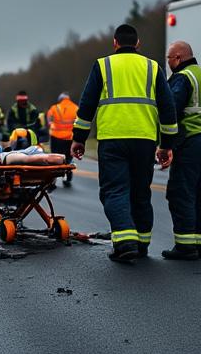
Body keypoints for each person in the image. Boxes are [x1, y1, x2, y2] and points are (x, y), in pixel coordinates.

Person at [71, 24, 178, 262]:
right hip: (145, 140)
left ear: (114, 43)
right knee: (141, 193)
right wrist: (167, 144)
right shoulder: (153, 67)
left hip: (113, 139)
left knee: (114, 190)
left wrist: (78, 138)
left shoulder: (103, 65)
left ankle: (125, 242)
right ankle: (141, 243)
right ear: (138, 44)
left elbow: (87, 105)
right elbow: (168, 108)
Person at [160, 41, 201, 260]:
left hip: (191, 142)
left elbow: (171, 111)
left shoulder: (182, 78)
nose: (168, 63)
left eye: (169, 59)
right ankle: (200, 245)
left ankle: (185, 246)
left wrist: (166, 145)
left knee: (180, 192)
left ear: (177, 58)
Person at [46, 92, 79, 185]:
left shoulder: (54, 108)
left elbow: (49, 120)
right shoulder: (76, 108)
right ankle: (68, 177)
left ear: (60, 99)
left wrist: (52, 126)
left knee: (55, 158)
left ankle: (52, 180)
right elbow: (79, 122)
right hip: (70, 137)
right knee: (68, 158)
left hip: (56, 136)